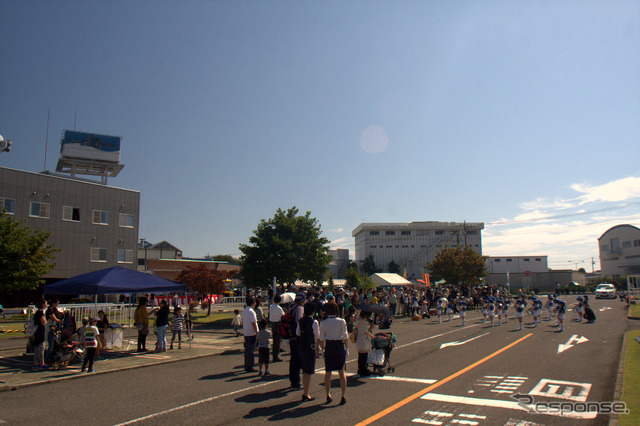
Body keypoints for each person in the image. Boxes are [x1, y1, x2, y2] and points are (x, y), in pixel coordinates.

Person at [319, 302, 348, 405]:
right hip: (339, 345)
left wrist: (323, 349)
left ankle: (328, 395)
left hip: (329, 346)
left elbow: (321, 338)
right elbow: (345, 336)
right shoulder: (341, 321)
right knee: (341, 372)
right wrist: (347, 348)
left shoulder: (323, 323)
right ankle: (343, 396)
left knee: (328, 372)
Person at [297, 302, 319, 401]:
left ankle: (305, 392)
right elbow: (317, 336)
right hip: (310, 347)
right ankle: (306, 393)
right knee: (308, 372)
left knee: (304, 370)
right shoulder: (314, 322)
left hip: (301, 346)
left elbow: (297, 333)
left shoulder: (301, 320)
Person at [289, 292, 306, 390]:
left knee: (294, 360)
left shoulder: (293, 307)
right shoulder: (300, 308)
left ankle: (294, 381)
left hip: (292, 336)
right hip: (297, 337)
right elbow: (299, 321)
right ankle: (295, 383)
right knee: (297, 360)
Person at [354, 310, 374, 378]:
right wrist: (370, 328)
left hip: (358, 341)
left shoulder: (357, 321)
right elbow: (366, 332)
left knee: (360, 356)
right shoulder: (364, 322)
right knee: (364, 357)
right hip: (364, 341)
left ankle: (360, 370)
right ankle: (363, 370)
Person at [241, 296, 258, 372]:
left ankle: (247, 365)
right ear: (253, 303)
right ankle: (250, 366)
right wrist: (257, 332)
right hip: (251, 333)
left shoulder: (244, 311)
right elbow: (254, 323)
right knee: (251, 351)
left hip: (246, 332)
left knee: (247, 350)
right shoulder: (251, 312)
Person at [31, 298, 48, 370]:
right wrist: (45, 321)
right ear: (42, 304)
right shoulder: (40, 313)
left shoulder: (37, 313)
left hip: (37, 332)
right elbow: (43, 322)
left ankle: (35, 362)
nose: (46, 305)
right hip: (40, 332)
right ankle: (42, 363)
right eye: (45, 303)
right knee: (41, 348)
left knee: (37, 348)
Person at [268, 294, 284, 362]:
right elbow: (282, 315)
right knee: (278, 340)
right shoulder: (279, 308)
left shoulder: (271, 306)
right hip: (278, 323)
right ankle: (276, 356)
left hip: (273, 323)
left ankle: (274, 355)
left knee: (274, 340)